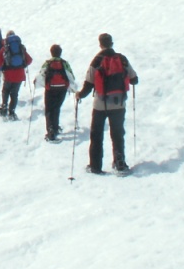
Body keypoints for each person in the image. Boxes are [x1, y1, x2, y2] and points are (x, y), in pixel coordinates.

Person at [75, 33, 139, 173]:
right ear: (112, 43)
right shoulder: (122, 59)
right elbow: (134, 79)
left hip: (100, 105)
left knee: (96, 135)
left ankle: (95, 166)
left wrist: (80, 95)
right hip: (119, 103)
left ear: (100, 44)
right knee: (117, 134)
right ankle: (120, 163)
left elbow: (89, 83)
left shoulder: (97, 60)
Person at [33, 44, 75, 141]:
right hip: (62, 89)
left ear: (51, 53)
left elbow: (41, 74)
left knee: (49, 109)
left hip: (50, 89)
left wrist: (38, 84)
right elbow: (71, 76)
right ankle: (55, 127)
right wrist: (72, 88)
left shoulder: (47, 63)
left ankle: (50, 130)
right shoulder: (64, 63)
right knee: (57, 107)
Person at [0, 30, 33, 120]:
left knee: (5, 91)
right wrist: (23, 65)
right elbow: (29, 60)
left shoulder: (4, 49)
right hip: (19, 75)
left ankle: (4, 107)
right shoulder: (21, 48)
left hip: (8, 75)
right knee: (14, 94)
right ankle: (12, 112)